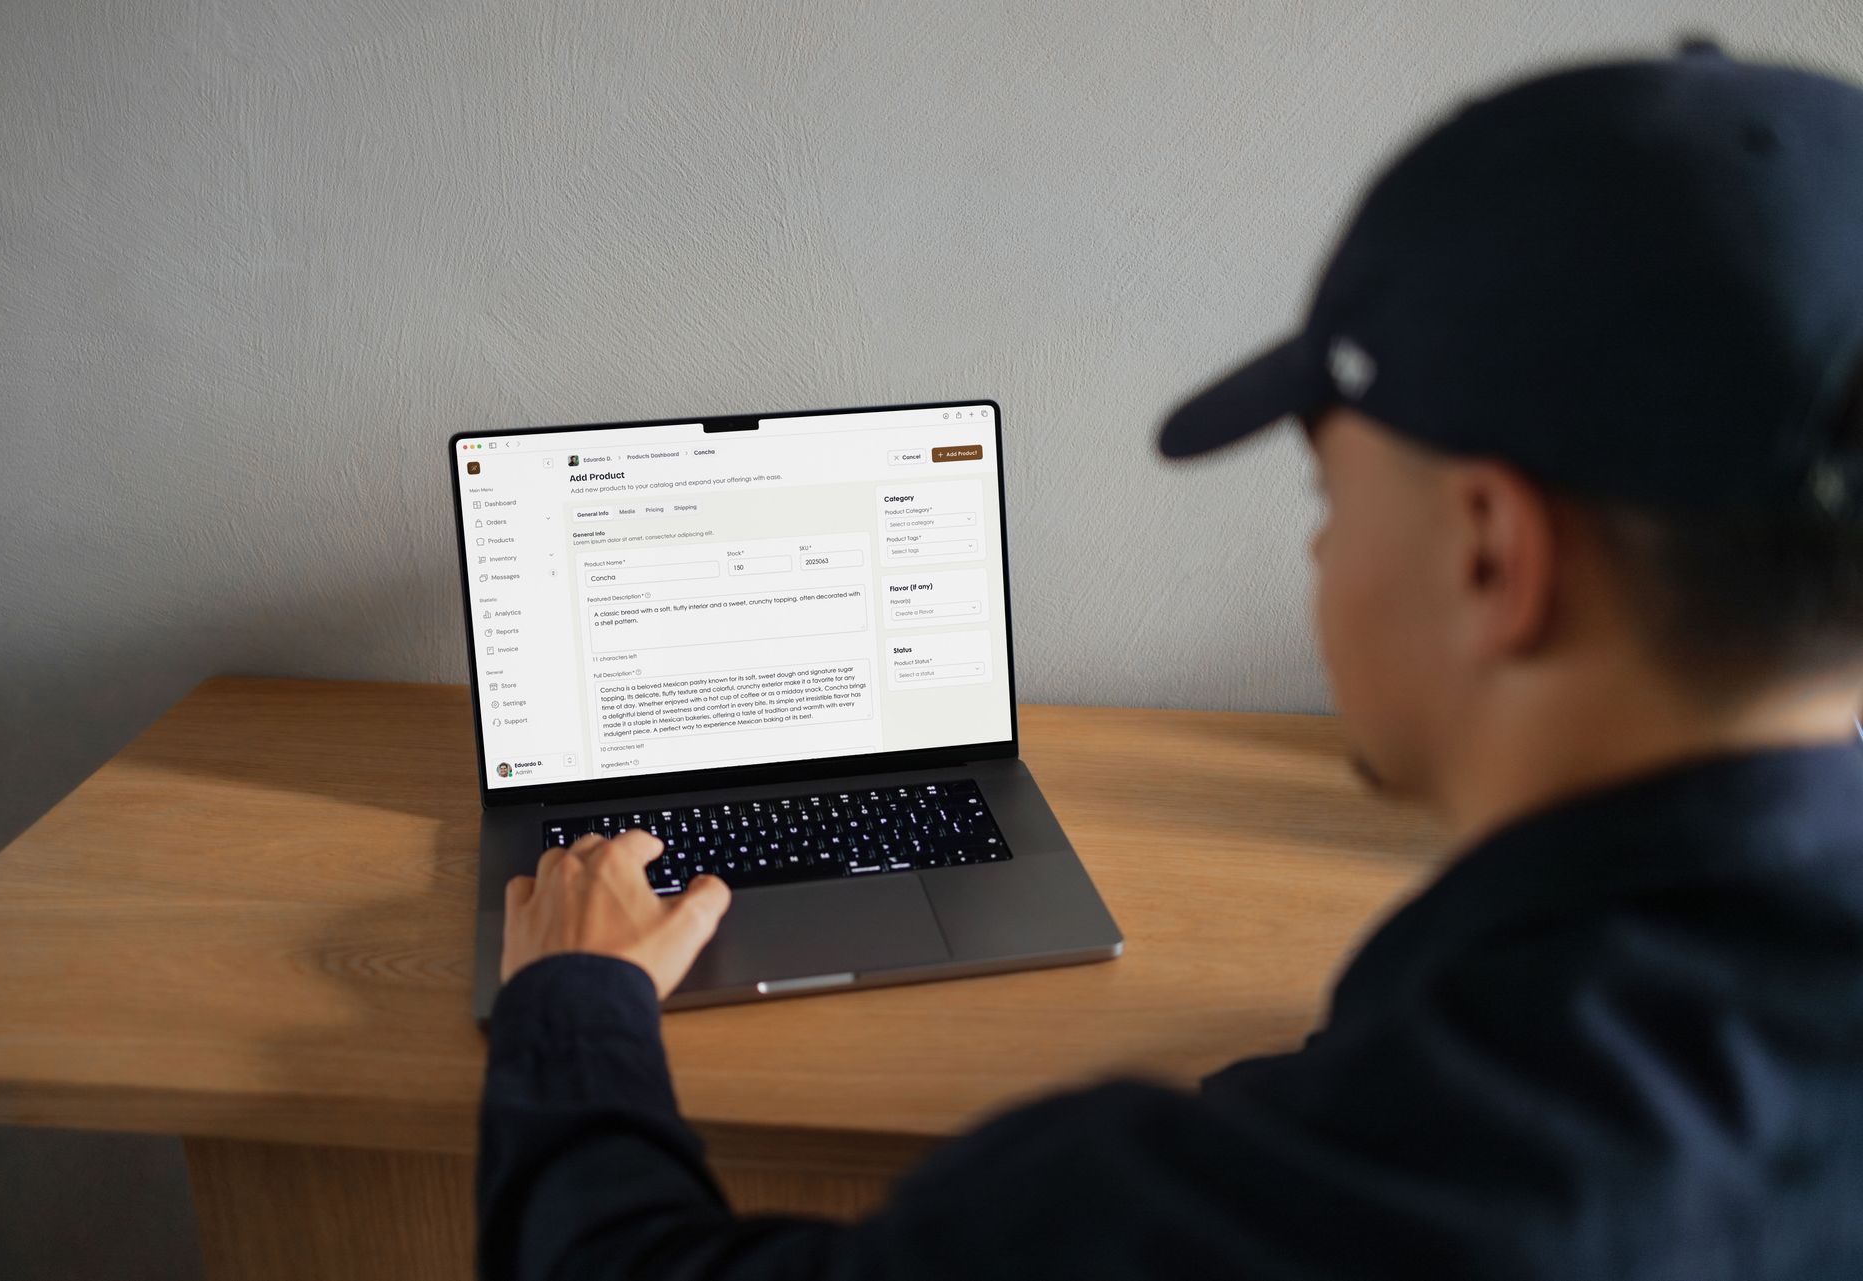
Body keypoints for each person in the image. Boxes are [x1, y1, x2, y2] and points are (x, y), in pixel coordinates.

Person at [478, 42, 1863, 1279]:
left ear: (1493, 552)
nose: (1318, 553)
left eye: (1326, 491)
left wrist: (573, 1000)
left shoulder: (1247, 1209)